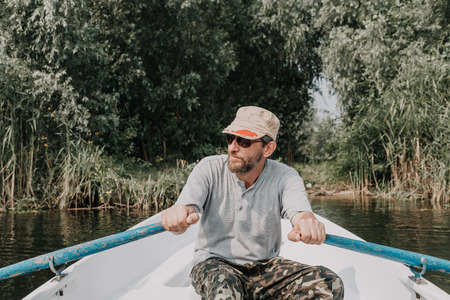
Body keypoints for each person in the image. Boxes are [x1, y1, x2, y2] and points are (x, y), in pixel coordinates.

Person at [161, 106, 344, 299]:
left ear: (268, 148)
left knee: (329, 283)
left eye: (244, 141)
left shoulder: (286, 177)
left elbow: (300, 213)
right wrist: (178, 215)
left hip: (264, 267)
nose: (232, 147)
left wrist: (307, 222)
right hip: (214, 263)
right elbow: (186, 208)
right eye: (230, 138)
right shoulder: (208, 169)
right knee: (226, 289)